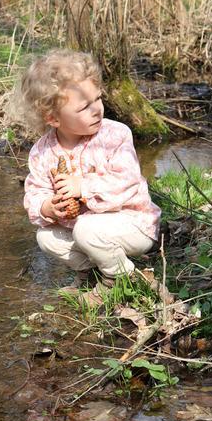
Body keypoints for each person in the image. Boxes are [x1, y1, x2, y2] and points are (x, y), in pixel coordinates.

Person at [15, 49, 161, 289]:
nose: (97, 110)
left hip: (133, 223)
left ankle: (121, 278)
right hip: (88, 232)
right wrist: (48, 207)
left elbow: (126, 182)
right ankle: (91, 271)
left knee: (86, 228)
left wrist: (82, 185)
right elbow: (35, 192)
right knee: (46, 237)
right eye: (84, 107)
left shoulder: (115, 135)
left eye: (98, 99)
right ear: (52, 118)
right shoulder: (43, 152)